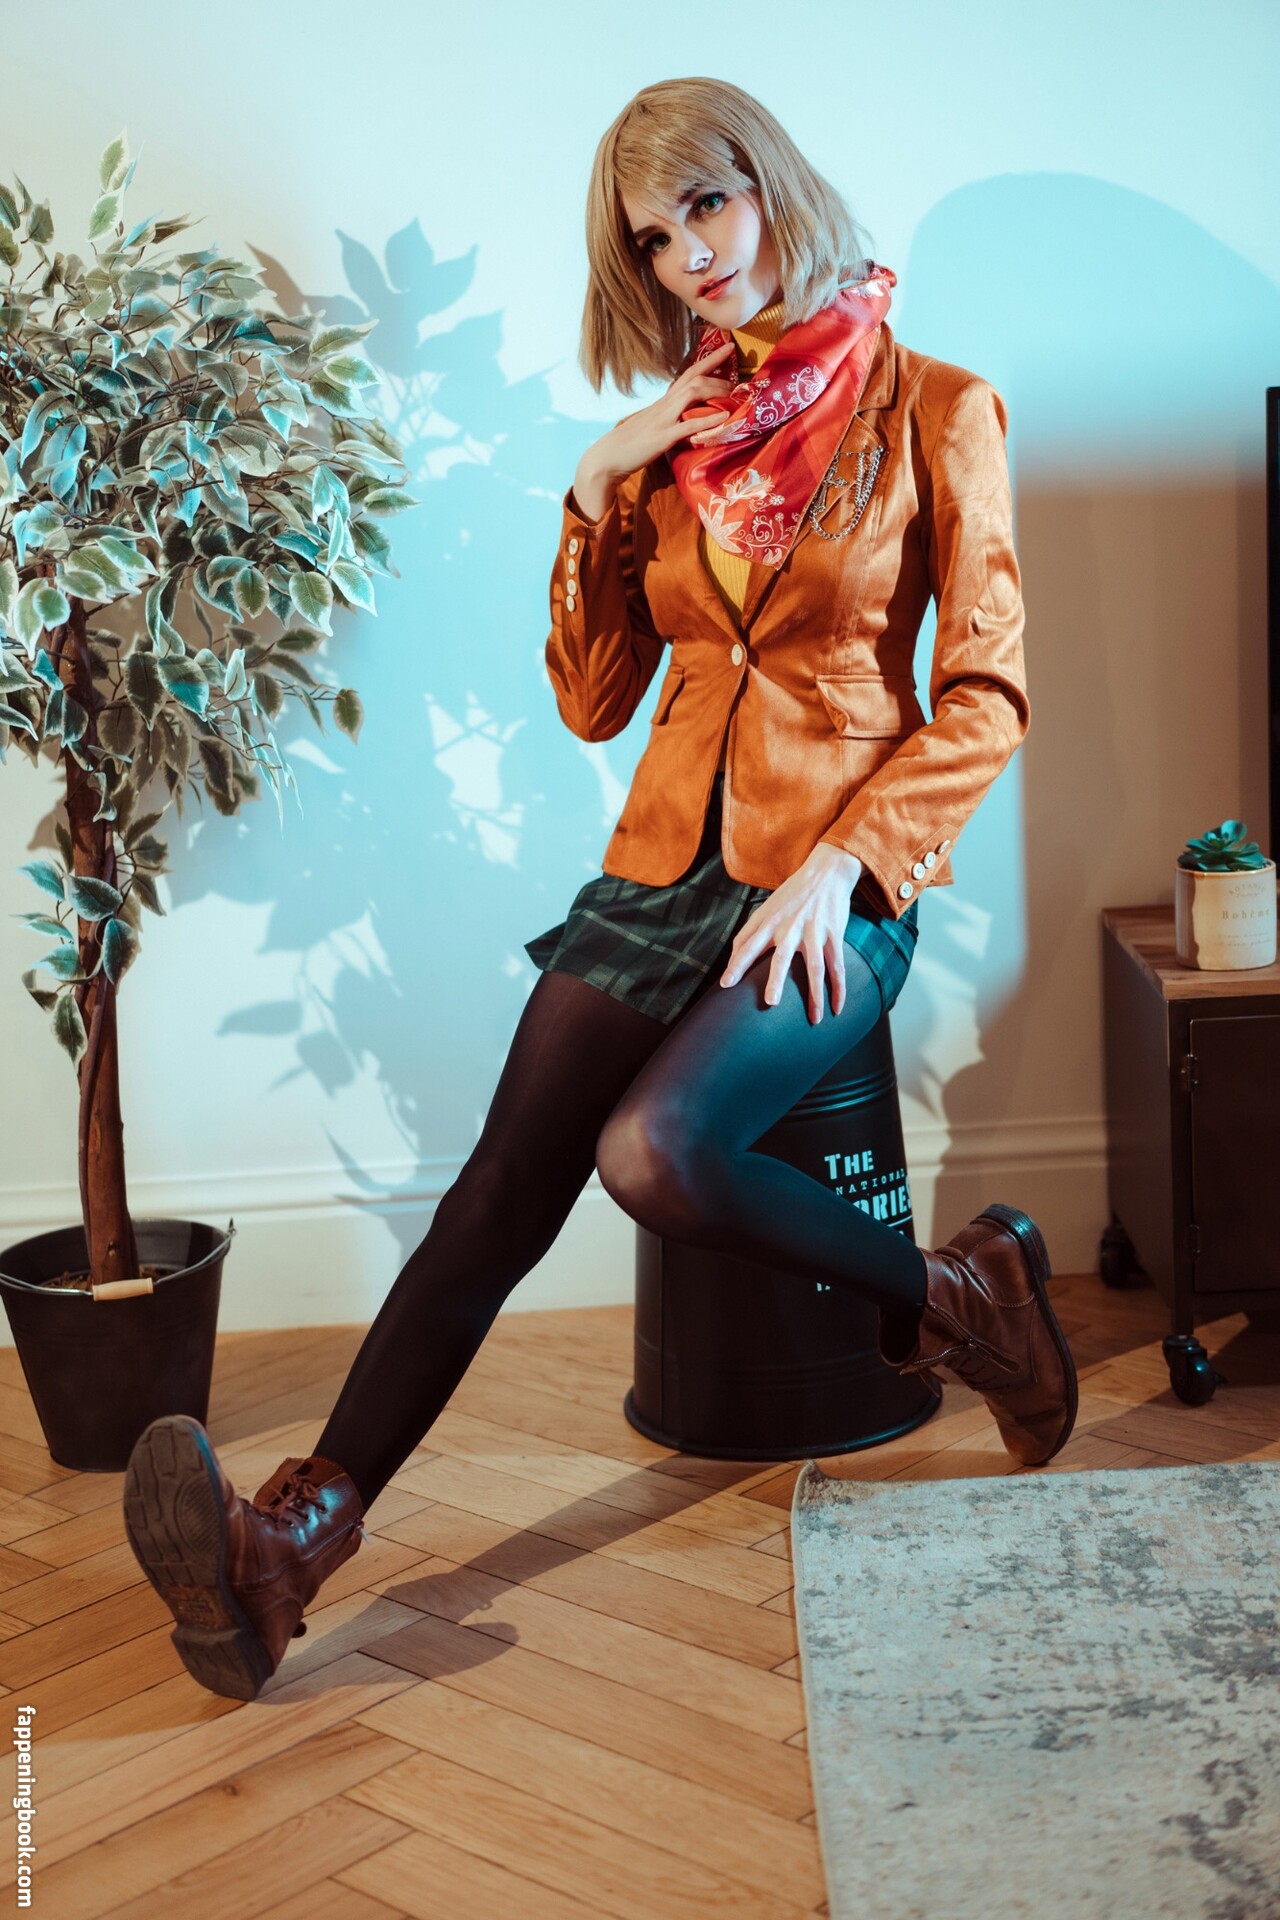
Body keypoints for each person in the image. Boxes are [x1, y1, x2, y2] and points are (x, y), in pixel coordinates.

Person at [122, 75, 1077, 1703]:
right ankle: (289, 1551)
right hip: (660, 866)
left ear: (767, 184)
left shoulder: (939, 406)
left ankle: (962, 1293)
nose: (689, 252)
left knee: (652, 1152)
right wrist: (593, 485)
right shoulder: (676, 439)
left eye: (707, 202)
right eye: (653, 237)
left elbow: (986, 695)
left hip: (835, 872)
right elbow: (592, 698)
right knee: (500, 1190)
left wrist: (848, 863)